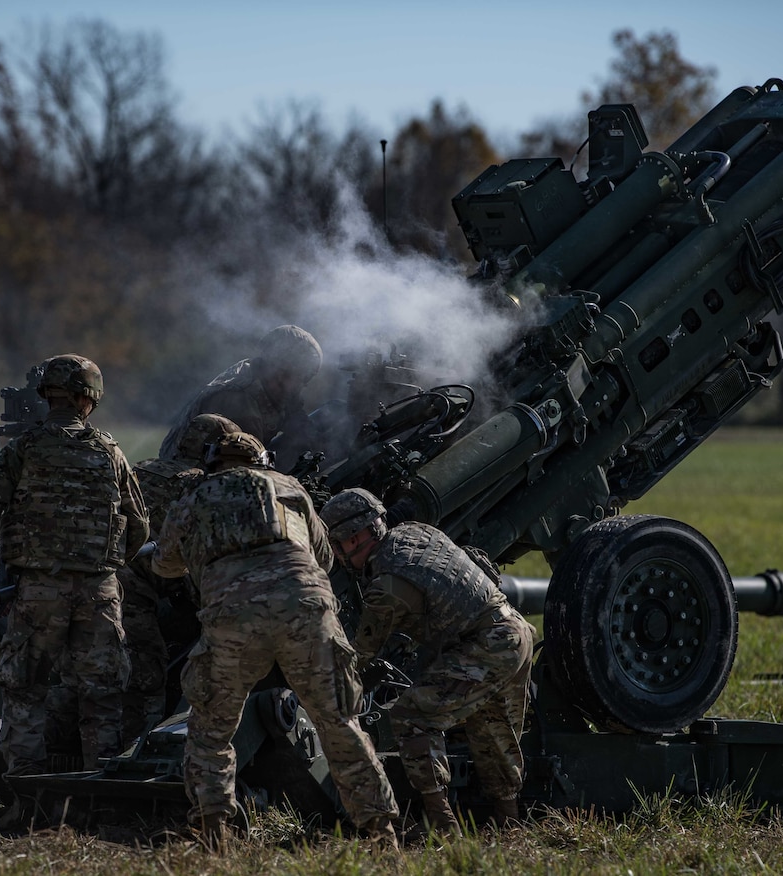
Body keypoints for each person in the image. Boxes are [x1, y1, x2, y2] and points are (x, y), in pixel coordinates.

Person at [154, 431, 398, 849]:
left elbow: (164, 564)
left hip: (231, 617)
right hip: (305, 610)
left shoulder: (194, 498)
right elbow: (323, 557)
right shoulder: (291, 487)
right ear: (264, 461)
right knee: (340, 724)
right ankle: (382, 833)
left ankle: (215, 835)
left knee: (211, 729)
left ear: (214, 463)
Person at [0, 354, 148, 824]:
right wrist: (105, 561)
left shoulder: (25, 448)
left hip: (39, 591)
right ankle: (101, 806)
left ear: (48, 395)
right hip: (100, 593)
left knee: (25, 693)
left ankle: (27, 805)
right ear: (90, 398)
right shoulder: (111, 452)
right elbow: (141, 526)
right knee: (101, 698)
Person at [319, 487, 536, 832]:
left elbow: (360, 654)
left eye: (336, 545)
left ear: (357, 537)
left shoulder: (387, 587)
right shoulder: (415, 533)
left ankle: (441, 822)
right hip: (515, 633)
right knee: (489, 726)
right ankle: (508, 821)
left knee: (412, 716)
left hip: (488, 644)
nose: (337, 555)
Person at [116, 412, 242, 740]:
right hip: (132, 591)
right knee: (145, 677)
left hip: (99, 580)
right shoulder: (200, 487)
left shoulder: (139, 467)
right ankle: (131, 760)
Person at [158, 324, 322, 463]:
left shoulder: (270, 389)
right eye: (298, 377)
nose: (299, 386)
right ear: (277, 370)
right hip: (188, 484)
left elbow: (303, 431)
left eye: (304, 379)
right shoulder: (238, 401)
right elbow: (250, 466)